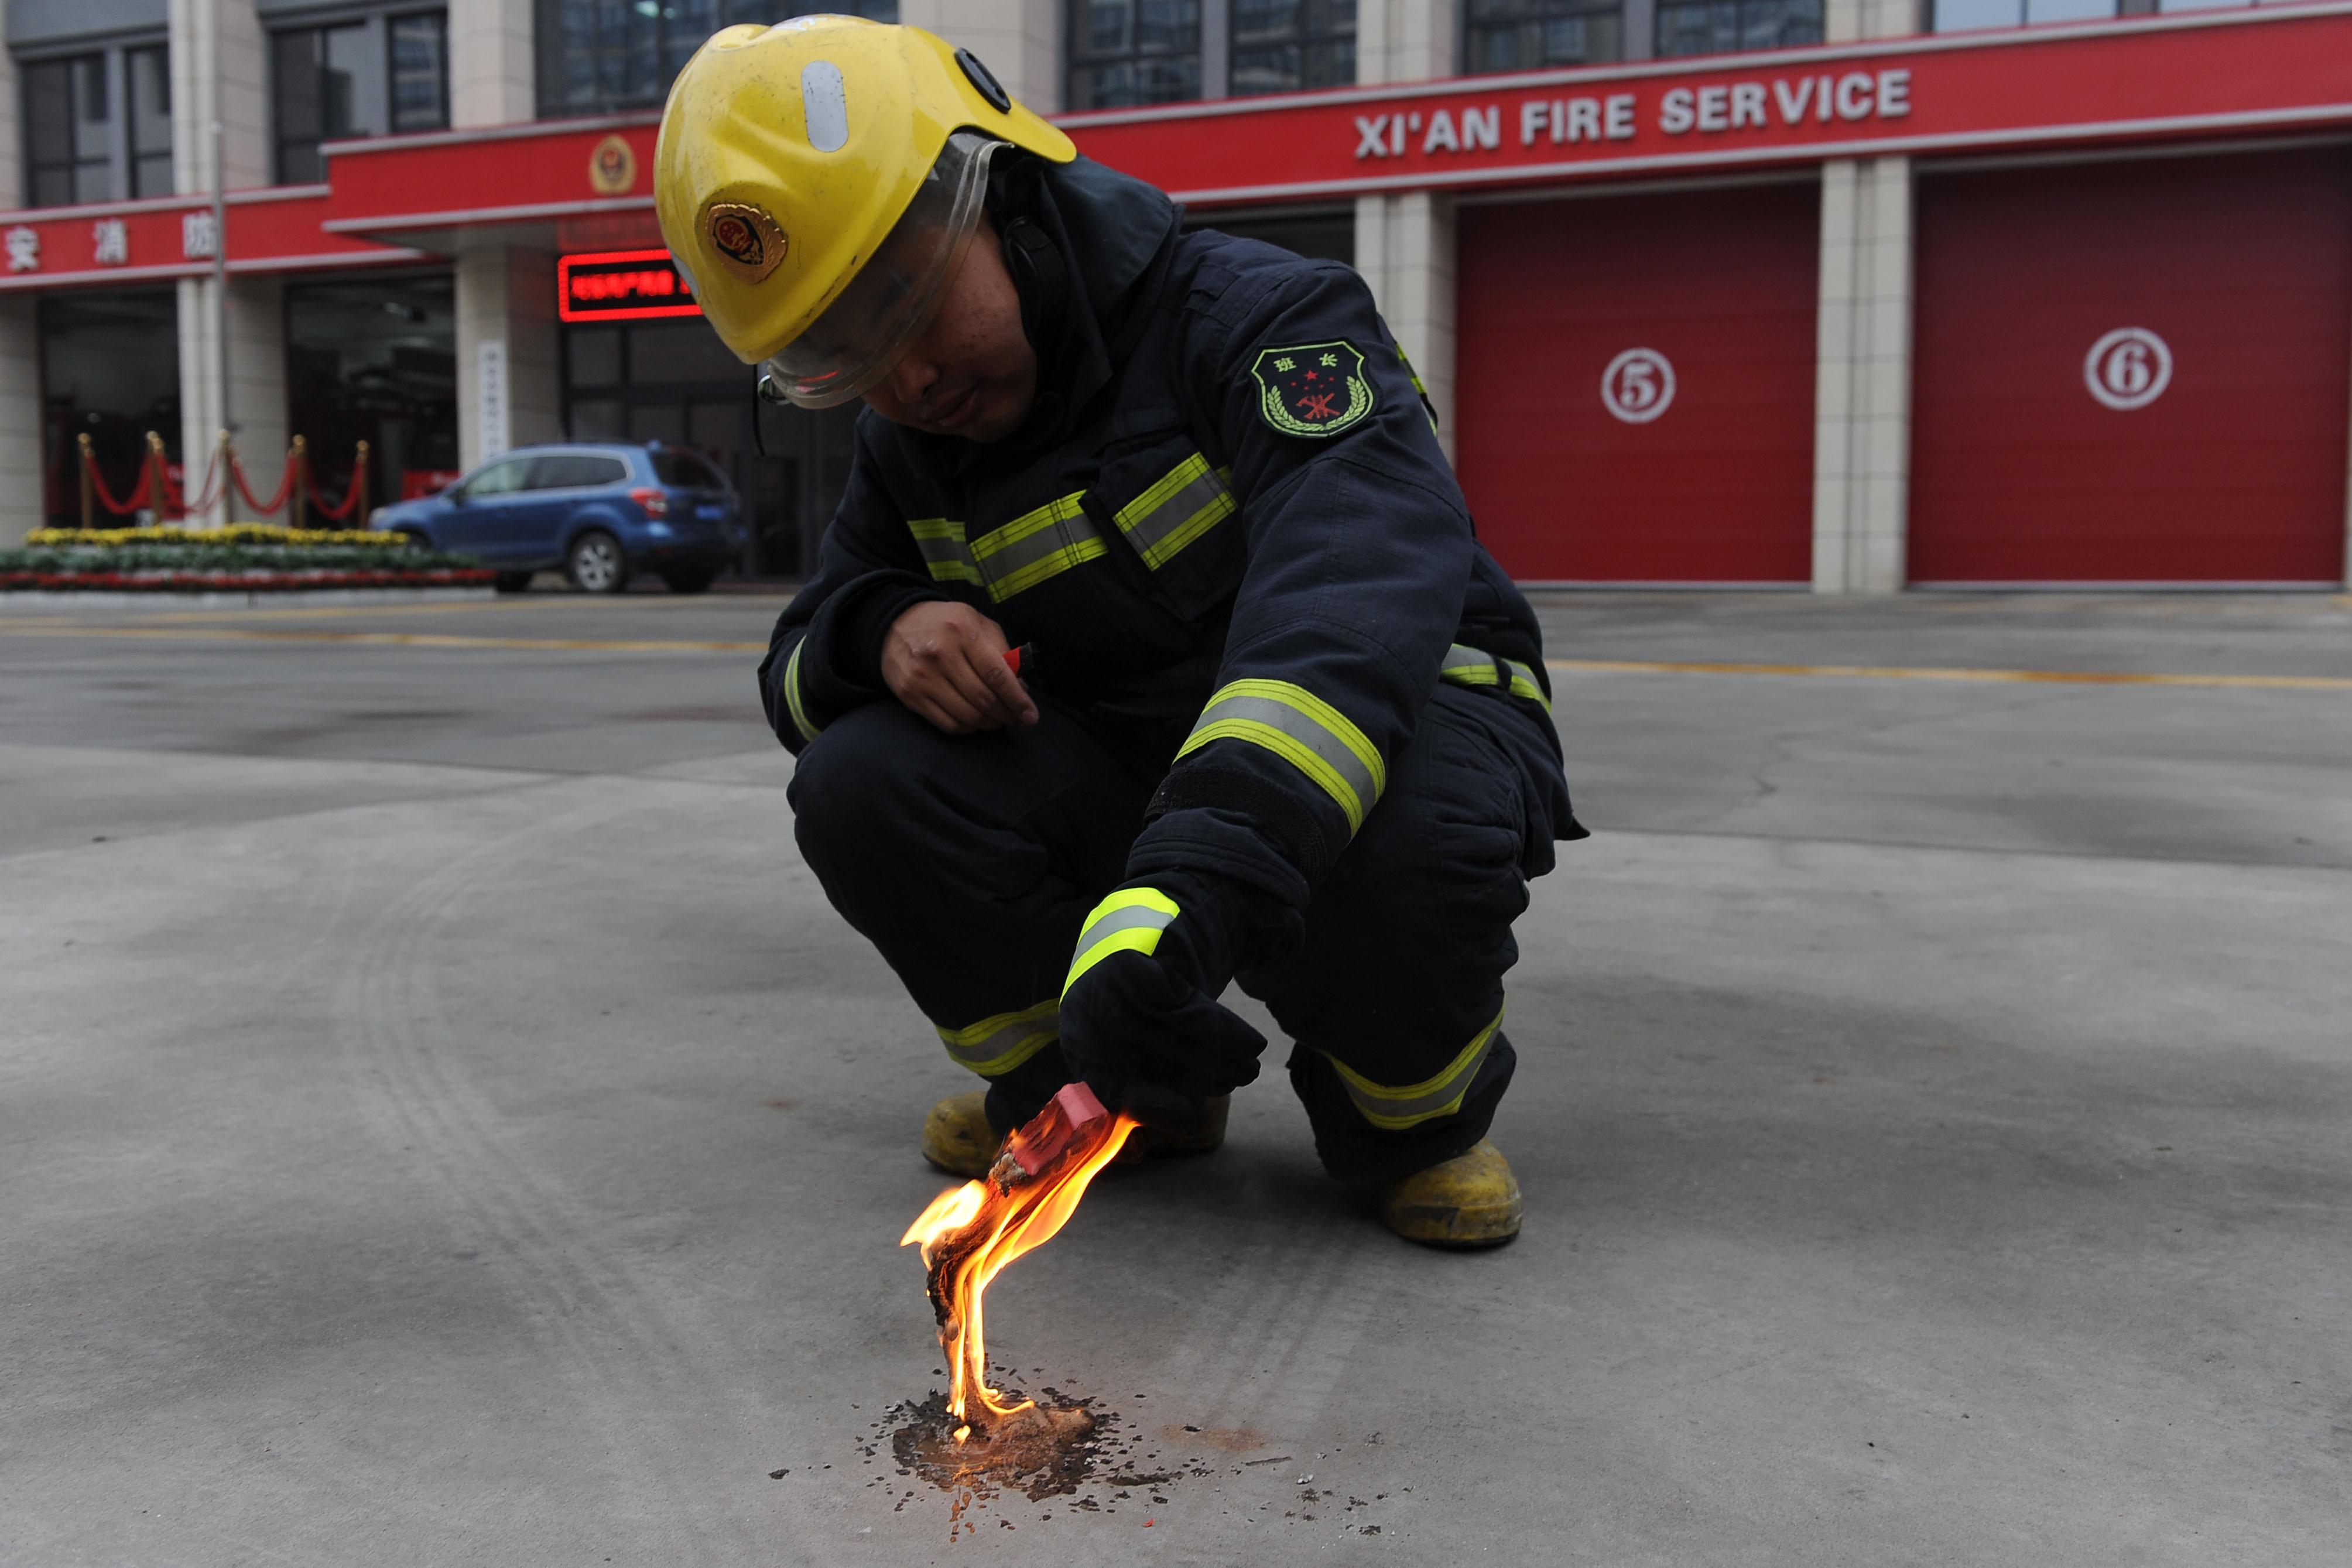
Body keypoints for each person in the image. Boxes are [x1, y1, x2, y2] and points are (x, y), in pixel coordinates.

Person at [655, 15, 1582, 1246]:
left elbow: (1343, 612)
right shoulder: (914, 448)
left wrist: (1199, 874)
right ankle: (1109, 1094)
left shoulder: (1270, 324)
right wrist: (877, 628)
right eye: (843, 356)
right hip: (1145, 774)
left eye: (907, 303)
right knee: (860, 781)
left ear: (1006, 193)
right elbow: (792, 673)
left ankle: (1407, 1117)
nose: (907, 382)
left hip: (1381, 739)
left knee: (1404, 832)